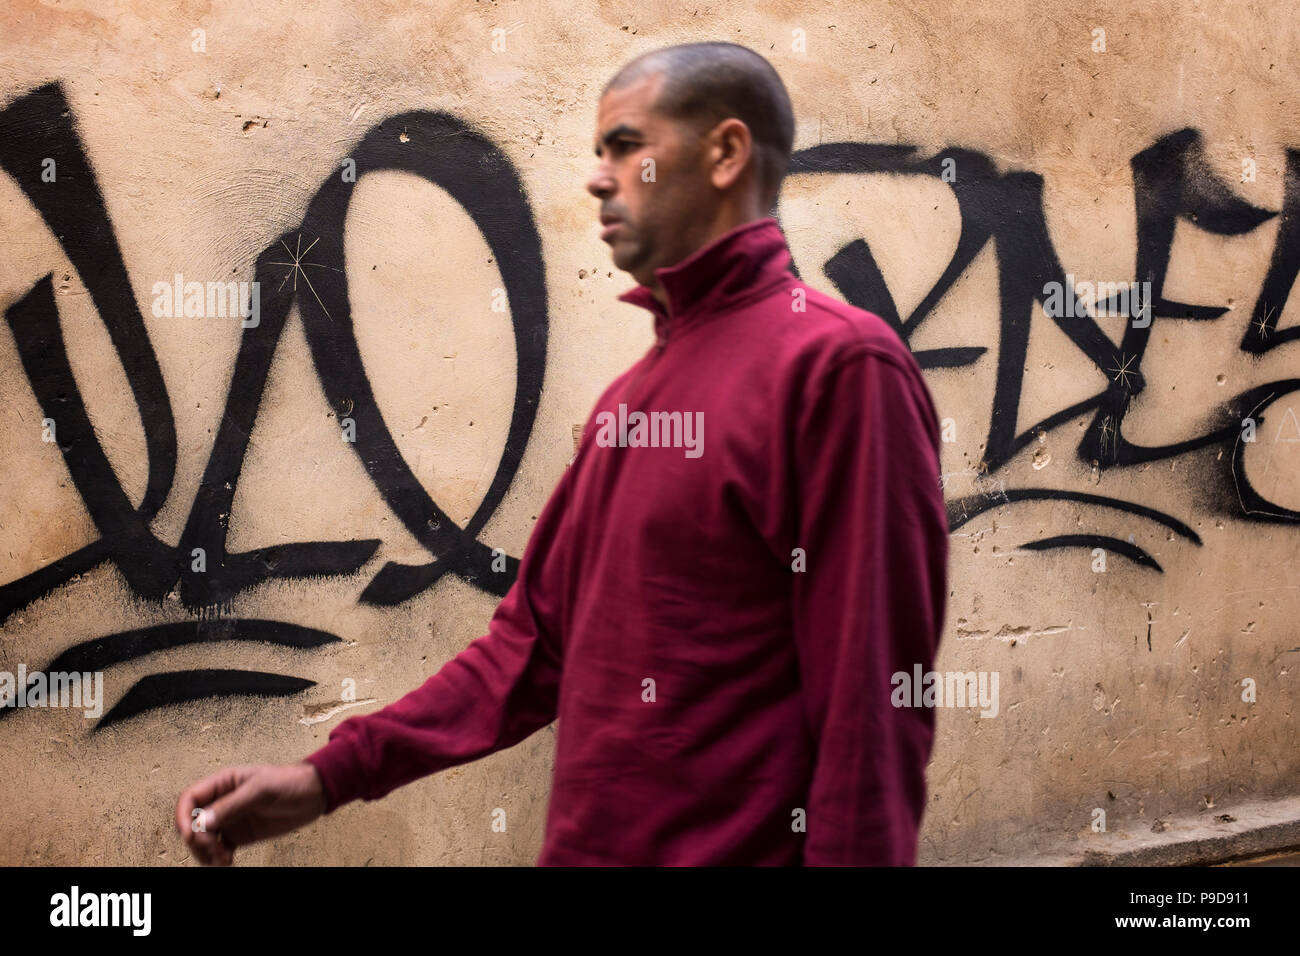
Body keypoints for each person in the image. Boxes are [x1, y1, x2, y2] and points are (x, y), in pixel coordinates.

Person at [175, 41, 949, 867]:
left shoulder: (840, 372)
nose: (597, 179)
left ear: (725, 153)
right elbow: (532, 649)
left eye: (625, 147)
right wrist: (327, 777)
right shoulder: (629, 400)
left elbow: (870, 720)